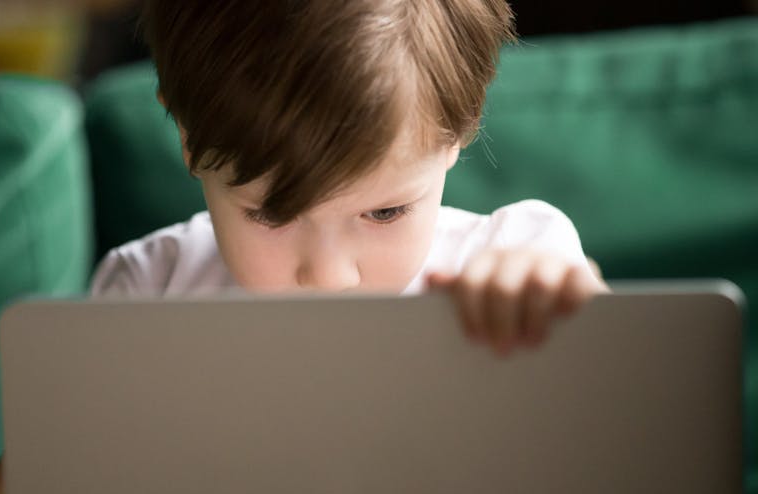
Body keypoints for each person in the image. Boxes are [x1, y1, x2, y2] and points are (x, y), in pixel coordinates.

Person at [92, 0, 609, 355]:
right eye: (273, 213)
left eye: (385, 212)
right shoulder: (146, 295)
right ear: (187, 137)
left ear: (459, 132)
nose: (330, 277)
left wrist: (569, 311)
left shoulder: (518, 258)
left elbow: (626, 419)